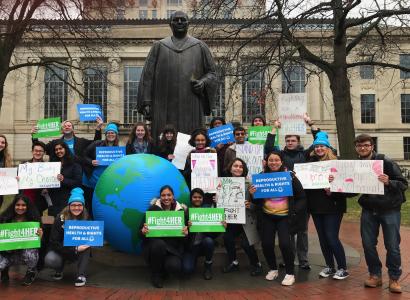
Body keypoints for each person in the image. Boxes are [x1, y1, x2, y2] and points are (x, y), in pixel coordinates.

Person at [137, 11, 217, 140]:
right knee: (162, 141)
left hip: (191, 102)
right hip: (163, 104)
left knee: (193, 140)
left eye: (183, 20)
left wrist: (203, 82)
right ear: (170, 24)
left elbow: (212, 74)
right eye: (176, 20)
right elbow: (147, 76)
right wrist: (146, 102)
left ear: (188, 23)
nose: (179, 22)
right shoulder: (159, 46)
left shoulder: (200, 46)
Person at [263, 116, 319, 270]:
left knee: (302, 230)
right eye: (288, 141)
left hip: (301, 198)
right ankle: (289, 259)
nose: (290, 143)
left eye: (293, 141)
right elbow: (268, 148)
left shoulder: (305, 155)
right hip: (284, 199)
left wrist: (311, 123)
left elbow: (318, 143)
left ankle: (303, 260)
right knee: (287, 233)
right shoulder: (280, 155)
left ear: (298, 142)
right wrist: (275, 128)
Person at [353, 134, 408, 293]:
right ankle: (375, 275)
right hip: (369, 209)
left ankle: (394, 278)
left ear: (372, 146)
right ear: (356, 148)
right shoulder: (356, 165)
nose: (362, 148)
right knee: (368, 244)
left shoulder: (386, 161)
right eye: (359, 146)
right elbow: (351, 190)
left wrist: (389, 182)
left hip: (389, 209)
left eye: (365, 145)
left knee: (392, 246)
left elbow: (404, 184)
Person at [249, 151, 307, 286]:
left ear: (281, 162)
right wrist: (253, 195)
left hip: (284, 217)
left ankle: (290, 273)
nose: (273, 163)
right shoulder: (261, 177)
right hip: (267, 216)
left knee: (285, 244)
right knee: (267, 244)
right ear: (266, 162)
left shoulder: (290, 177)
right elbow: (257, 202)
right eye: (270, 160)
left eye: (276, 160)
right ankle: (273, 269)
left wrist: (294, 211)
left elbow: (302, 197)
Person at [306, 133, 349, 280]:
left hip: (333, 207)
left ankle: (342, 268)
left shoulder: (337, 163)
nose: (318, 148)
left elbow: (347, 188)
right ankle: (330, 266)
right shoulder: (310, 163)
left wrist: (334, 190)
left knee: (331, 237)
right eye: (316, 146)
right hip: (316, 207)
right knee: (322, 239)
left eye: (322, 146)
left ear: (328, 148)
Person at [140, 185, 188, 288]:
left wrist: (185, 233)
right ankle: (156, 274)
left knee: (175, 266)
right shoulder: (152, 209)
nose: (166, 198)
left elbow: (184, 239)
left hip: (172, 249)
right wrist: (143, 231)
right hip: (155, 247)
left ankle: (163, 271)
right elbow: (139, 232)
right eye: (163, 195)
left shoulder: (180, 212)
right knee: (159, 244)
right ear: (160, 197)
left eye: (169, 195)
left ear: (173, 196)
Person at [222, 158, 263, 276]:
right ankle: (233, 262)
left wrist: (251, 202)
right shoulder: (224, 183)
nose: (238, 168)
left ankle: (256, 264)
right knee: (227, 237)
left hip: (247, 219)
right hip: (232, 219)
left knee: (246, 243)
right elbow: (222, 203)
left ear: (244, 169)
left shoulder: (250, 184)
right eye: (235, 166)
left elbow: (260, 205)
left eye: (241, 166)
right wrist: (218, 199)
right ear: (230, 168)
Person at [44, 188, 91, 287]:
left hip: (79, 249)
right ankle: (59, 269)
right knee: (50, 258)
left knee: (87, 246)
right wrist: (74, 249)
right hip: (63, 249)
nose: (76, 208)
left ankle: (81, 275)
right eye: (73, 205)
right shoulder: (59, 218)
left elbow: (91, 236)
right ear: (69, 206)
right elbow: (54, 242)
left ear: (83, 206)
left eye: (79, 205)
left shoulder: (86, 217)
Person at [0, 194, 43, 286]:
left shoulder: (33, 220)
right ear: (13, 206)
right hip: (8, 253)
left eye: (23, 205)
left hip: (25, 253)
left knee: (31, 254)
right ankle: (4, 270)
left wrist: (40, 237)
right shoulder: (5, 219)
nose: (20, 207)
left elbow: (38, 244)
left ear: (28, 207)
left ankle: (31, 272)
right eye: (18, 205)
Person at [183, 188, 226, 280]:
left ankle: (208, 265)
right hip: (190, 247)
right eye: (195, 197)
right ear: (191, 199)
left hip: (203, 245)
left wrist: (221, 227)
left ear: (203, 199)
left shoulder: (208, 212)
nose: (197, 199)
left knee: (209, 241)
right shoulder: (186, 213)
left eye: (200, 197)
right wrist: (187, 227)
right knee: (187, 270)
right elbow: (182, 235)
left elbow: (214, 235)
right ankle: (193, 260)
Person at [31, 118, 103, 165]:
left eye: (69, 126)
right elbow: (41, 148)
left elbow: (96, 143)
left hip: (77, 173)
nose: (67, 127)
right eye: (64, 126)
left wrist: (98, 128)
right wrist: (34, 136)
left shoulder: (82, 142)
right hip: (60, 172)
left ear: (73, 129)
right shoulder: (55, 143)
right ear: (62, 130)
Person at [83, 123, 120, 214]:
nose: (110, 134)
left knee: (101, 203)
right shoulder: (97, 144)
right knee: (90, 203)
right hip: (91, 180)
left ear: (116, 135)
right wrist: (91, 162)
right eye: (108, 133)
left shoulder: (119, 150)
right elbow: (84, 155)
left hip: (106, 181)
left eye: (113, 133)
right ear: (105, 134)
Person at [46, 142, 82, 217]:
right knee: (55, 221)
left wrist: (64, 180)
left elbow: (78, 182)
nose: (58, 151)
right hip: (54, 199)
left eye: (60, 149)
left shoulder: (75, 165)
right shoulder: (51, 165)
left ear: (65, 149)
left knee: (65, 220)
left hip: (67, 199)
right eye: (56, 150)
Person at [21, 141, 48, 215]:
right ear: (32, 152)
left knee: (36, 222)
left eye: (40, 151)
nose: (38, 153)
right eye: (36, 151)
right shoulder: (24, 165)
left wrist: (47, 188)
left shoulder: (48, 168)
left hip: (39, 201)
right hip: (24, 199)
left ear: (44, 153)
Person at [0, 134, 13, 208]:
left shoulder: (7, 158)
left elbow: (9, 174)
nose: (0, 144)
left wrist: (14, 178)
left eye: (3, 142)